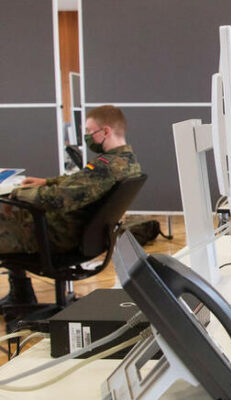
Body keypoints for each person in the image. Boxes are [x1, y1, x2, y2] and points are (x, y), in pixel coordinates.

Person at [0, 105, 142, 306]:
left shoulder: (106, 167)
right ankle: (21, 295)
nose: (86, 136)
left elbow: (60, 199)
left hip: (55, 235)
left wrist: (18, 193)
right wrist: (46, 182)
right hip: (78, 235)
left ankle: (21, 293)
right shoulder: (126, 162)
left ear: (105, 131)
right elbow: (80, 182)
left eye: (89, 131)